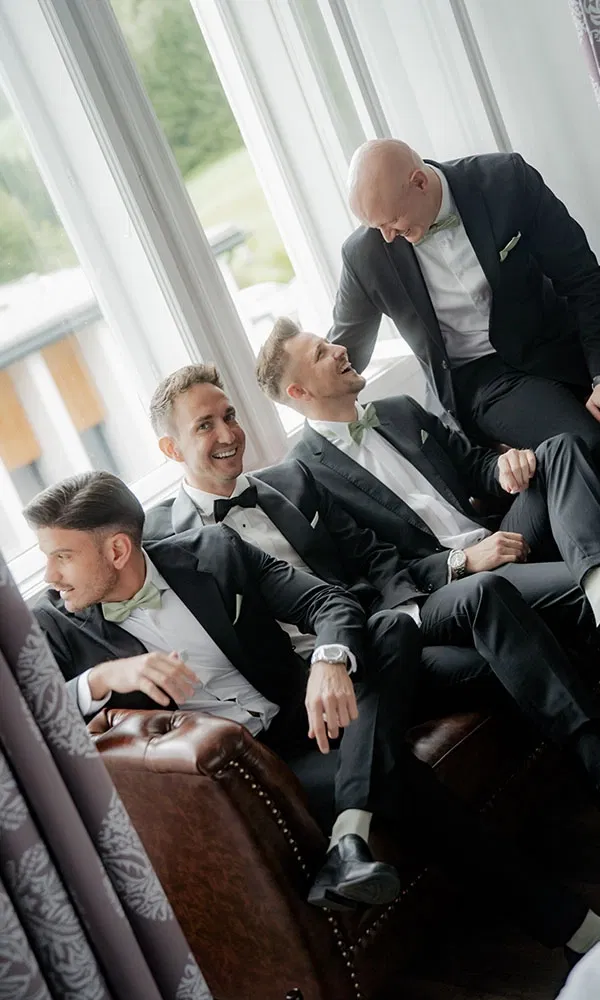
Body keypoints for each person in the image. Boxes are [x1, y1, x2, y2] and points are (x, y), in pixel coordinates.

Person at [24, 472, 600, 960]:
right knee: (399, 774)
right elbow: (28, 728)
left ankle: (351, 839)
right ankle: (565, 922)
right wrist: (101, 680)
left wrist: (328, 661)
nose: (50, 574)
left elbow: (327, 601)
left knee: (391, 628)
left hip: (314, 709)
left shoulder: (213, 551)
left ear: (117, 550)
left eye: (61, 556)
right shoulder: (56, 626)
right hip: (263, 763)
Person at [255, 320, 600, 785]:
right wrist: (461, 562)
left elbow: (475, 466)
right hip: (448, 583)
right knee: (552, 586)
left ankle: (596, 580)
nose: (338, 349)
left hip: (499, 534)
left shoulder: (399, 409)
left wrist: (505, 466)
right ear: (299, 392)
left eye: (328, 342)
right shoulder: (303, 475)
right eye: (320, 353)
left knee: (560, 448)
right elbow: (376, 569)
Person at [144, 362, 489, 708]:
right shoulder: (161, 541)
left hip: (375, 628)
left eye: (229, 416)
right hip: (304, 684)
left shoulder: (293, 479)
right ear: (172, 449)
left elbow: (370, 553)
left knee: (485, 595)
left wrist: (408, 611)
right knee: (480, 667)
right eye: (205, 425)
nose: (228, 435)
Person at [330, 138, 600, 455]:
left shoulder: (506, 181)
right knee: (586, 444)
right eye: (375, 226)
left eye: (392, 221)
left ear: (419, 182)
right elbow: (343, 352)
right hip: (485, 380)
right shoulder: (365, 254)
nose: (386, 236)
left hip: (557, 341)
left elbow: (582, 277)